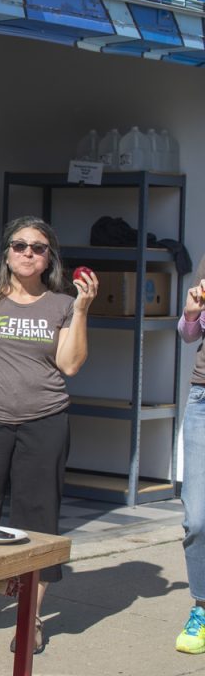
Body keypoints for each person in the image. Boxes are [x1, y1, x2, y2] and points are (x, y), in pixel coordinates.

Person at [0, 217, 94, 654]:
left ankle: (31, 617)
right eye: (20, 244)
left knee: (38, 520)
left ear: (50, 258)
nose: (28, 253)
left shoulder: (62, 304)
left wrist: (82, 309)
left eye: (39, 247)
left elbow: (70, 365)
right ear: (6, 252)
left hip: (44, 421)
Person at [174, 259, 205, 655]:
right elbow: (187, 333)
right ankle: (201, 607)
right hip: (203, 400)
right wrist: (190, 314)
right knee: (197, 518)